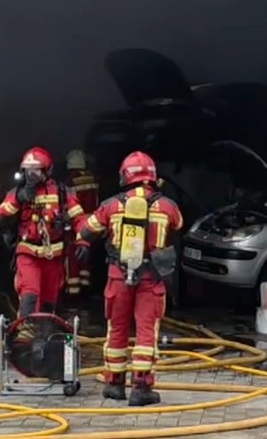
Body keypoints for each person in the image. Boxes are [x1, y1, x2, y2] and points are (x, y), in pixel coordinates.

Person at [79, 151, 183, 406]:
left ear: (125, 175)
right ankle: (141, 388)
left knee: (117, 329)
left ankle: (114, 383)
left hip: (118, 276)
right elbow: (178, 225)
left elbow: (86, 230)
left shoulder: (111, 205)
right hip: (151, 278)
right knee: (146, 332)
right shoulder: (167, 206)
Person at [0, 146, 90, 317]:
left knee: (49, 297)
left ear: (47, 170)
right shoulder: (16, 193)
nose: (31, 175)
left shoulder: (62, 193)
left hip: (54, 255)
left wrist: (83, 241)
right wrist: (20, 198)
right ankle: (26, 332)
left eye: (36, 171)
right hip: (27, 253)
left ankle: (44, 333)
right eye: (28, 171)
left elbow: (79, 219)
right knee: (30, 293)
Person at [63, 149, 100, 299]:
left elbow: (68, 203)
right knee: (86, 254)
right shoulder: (92, 178)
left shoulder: (70, 180)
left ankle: (73, 292)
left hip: (75, 221)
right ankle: (85, 285)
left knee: (72, 254)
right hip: (92, 222)